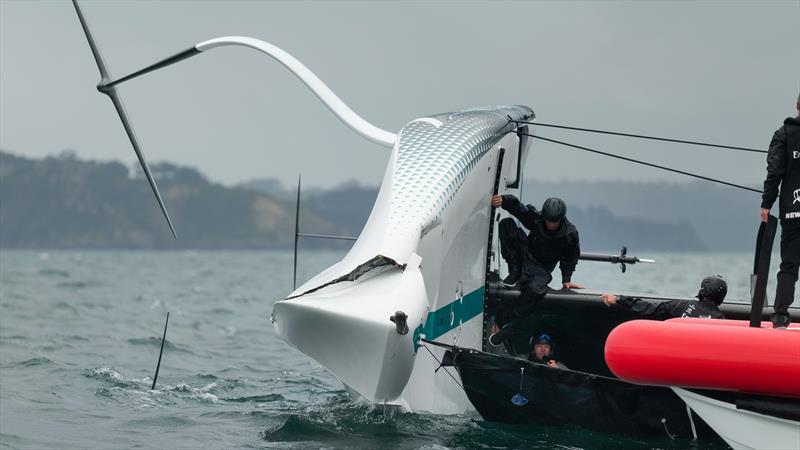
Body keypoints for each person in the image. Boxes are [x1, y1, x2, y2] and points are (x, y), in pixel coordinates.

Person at [488, 195, 581, 352]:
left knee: (534, 290)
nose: (551, 225)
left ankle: (510, 325)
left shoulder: (569, 233)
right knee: (507, 224)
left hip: (541, 270)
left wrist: (567, 279)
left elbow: (570, 257)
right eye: (549, 221)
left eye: (555, 222)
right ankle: (515, 270)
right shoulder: (537, 219)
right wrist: (504, 200)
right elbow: (520, 209)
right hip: (524, 257)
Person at [761, 93, 800, 329]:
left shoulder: (784, 134)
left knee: (789, 265)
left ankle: (780, 317)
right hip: (793, 213)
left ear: (797, 106)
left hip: (793, 212)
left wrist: (767, 204)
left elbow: (774, 172)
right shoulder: (783, 134)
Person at [600, 275, 727, 320]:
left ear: (702, 290)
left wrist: (619, 299)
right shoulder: (720, 319)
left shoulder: (683, 305)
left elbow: (650, 308)